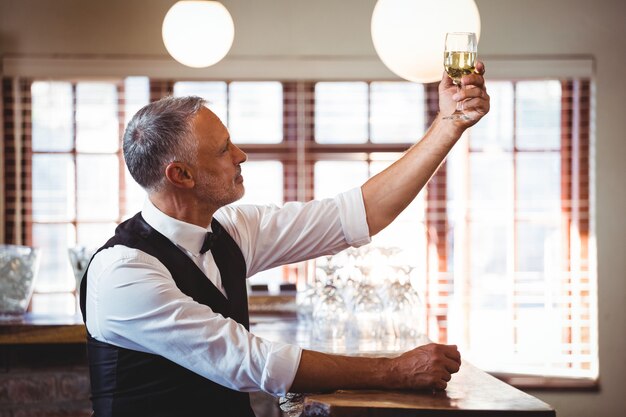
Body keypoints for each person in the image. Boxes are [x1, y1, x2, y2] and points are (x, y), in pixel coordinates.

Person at [80, 62, 489, 417]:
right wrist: (394, 371)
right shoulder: (122, 272)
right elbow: (249, 362)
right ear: (181, 176)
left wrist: (448, 124)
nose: (241, 155)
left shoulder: (233, 230)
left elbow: (360, 213)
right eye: (224, 150)